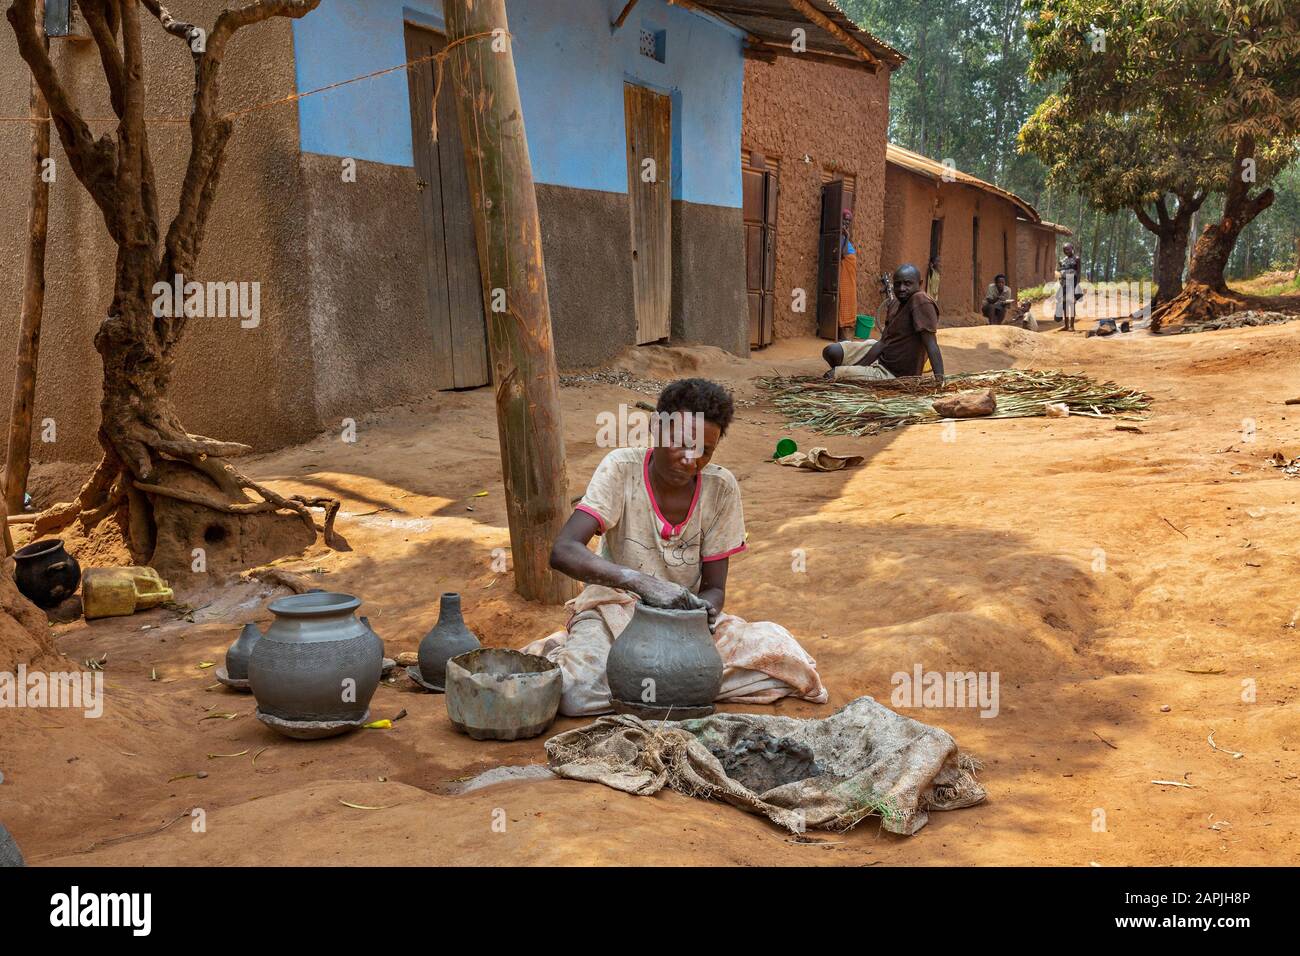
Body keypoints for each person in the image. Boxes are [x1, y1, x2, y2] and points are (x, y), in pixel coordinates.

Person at [528, 379, 828, 717]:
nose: (690, 459)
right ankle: (599, 664)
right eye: (681, 442)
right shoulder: (621, 469)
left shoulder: (721, 488)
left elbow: (714, 588)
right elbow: (564, 550)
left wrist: (702, 613)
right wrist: (639, 582)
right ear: (657, 428)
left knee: (789, 662)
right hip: (615, 612)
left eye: (705, 450)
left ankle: (648, 683)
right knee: (576, 695)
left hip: (682, 625)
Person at [822, 264, 944, 384]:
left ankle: (850, 376)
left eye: (907, 283)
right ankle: (853, 374)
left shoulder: (921, 301)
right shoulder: (895, 303)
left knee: (832, 375)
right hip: (883, 354)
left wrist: (940, 381)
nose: (901, 288)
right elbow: (883, 342)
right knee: (831, 351)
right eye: (897, 284)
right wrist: (860, 367)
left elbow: (931, 345)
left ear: (920, 284)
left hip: (892, 373)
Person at [837, 209, 859, 340]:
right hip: (845, 274)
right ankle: (841, 333)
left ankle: (845, 333)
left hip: (850, 275)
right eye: (844, 220)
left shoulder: (843, 236)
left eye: (848, 221)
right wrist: (847, 237)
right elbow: (844, 254)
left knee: (849, 299)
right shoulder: (841, 237)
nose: (846, 223)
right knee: (844, 300)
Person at [1055, 243, 1083, 332]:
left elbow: (1078, 273)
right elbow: (1060, 272)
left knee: (1071, 304)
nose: (1066, 251)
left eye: (1068, 249)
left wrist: (1077, 285)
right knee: (1064, 305)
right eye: (1064, 250)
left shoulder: (1076, 259)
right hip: (1063, 284)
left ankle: (1072, 326)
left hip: (1072, 282)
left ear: (1072, 248)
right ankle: (1066, 325)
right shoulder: (1062, 260)